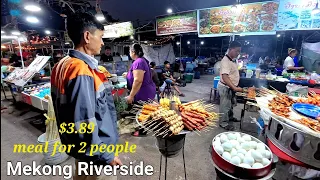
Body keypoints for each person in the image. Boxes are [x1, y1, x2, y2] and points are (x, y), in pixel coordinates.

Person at [50, 12, 121, 180]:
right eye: (101, 37)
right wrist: (106, 156)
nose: (103, 43)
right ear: (87, 36)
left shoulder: (61, 65)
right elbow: (84, 121)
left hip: (77, 146)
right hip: (96, 150)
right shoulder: (80, 70)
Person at [126, 44, 156, 137]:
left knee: (139, 111)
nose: (129, 53)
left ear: (133, 52)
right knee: (143, 110)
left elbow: (138, 80)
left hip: (142, 92)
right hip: (147, 90)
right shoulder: (142, 60)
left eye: (130, 51)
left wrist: (131, 96)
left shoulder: (138, 62)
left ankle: (141, 131)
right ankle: (143, 129)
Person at [218, 41, 243, 131]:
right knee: (225, 106)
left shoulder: (232, 60)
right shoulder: (225, 61)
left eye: (239, 51)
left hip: (230, 87)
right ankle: (223, 123)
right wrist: (234, 87)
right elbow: (225, 76)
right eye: (237, 51)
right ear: (231, 49)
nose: (238, 53)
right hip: (225, 87)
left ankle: (230, 117)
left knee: (230, 104)